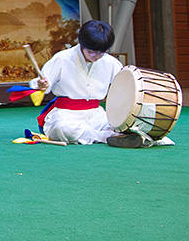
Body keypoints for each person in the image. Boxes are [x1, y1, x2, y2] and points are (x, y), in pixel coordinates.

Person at [30, 20, 144, 148]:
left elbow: (124, 86)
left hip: (97, 114)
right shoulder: (62, 58)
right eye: (92, 52)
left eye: (101, 52)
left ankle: (108, 134)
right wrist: (41, 85)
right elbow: (42, 84)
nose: (97, 56)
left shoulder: (111, 63)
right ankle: (106, 136)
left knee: (126, 125)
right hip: (66, 114)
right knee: (62, 128)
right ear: (81, 44)